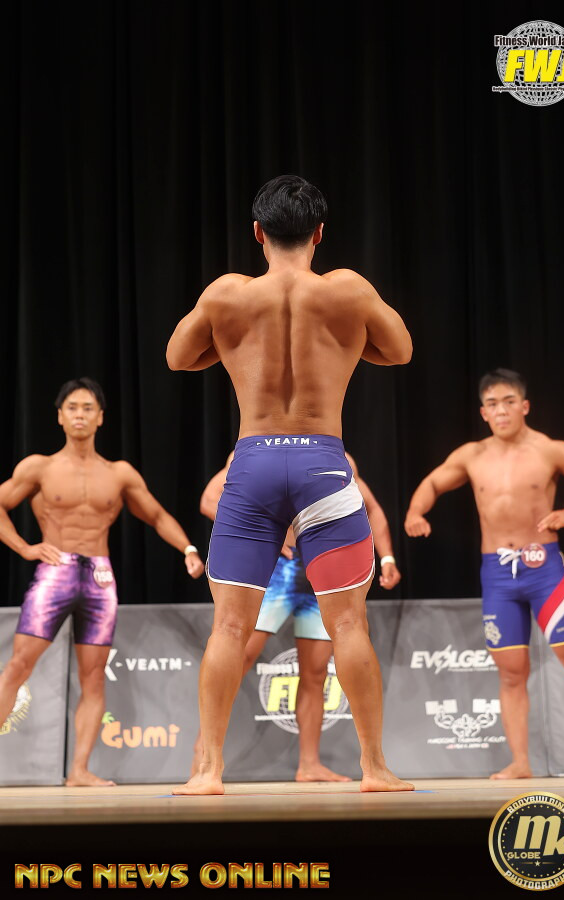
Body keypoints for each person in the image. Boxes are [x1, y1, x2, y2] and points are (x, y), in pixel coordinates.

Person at [167, 174, 412, 794]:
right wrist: (348, 346)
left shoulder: (227, 294)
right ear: (319, 234)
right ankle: (375, 768)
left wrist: (232, 349)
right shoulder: (348, 289)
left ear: (258, 233)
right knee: (348, 624)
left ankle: (208, 770)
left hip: (252, 461)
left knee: (229, 627)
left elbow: (177, 357)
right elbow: (400, 350)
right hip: (323, 462)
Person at [0, 377, 204, 786]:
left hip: (100, 578)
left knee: (93, 677)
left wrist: (188, 549)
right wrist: (24, 547)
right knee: (19, 665)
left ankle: (79, 771)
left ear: (100, 418)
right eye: (72, 407)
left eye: (88, 408)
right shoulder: (39, 467)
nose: (80, 414)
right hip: (55, 572)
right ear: (60, 417)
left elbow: (157, 515)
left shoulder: (119, 473)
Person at [404, 368, 564, 779]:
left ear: (524, 406)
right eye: (492, 404)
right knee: (511, 672)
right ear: (483, 412)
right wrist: (415, 512)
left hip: (543, 567)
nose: (502, 410)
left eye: (509, 402)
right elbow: (433, 483)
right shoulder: (471, 455)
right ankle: (520, 763)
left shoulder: (549, 450)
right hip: (497, 574)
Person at [191, 451, 401, 781]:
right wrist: (267, 533)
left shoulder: (338, 456)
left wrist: (387, 557)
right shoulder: (253, 450)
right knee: (241, 652)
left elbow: (369, 508)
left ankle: (309, 764)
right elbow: (209, 499)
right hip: (279, 570)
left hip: (323, 569)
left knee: (316, 672)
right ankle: (205, 756)